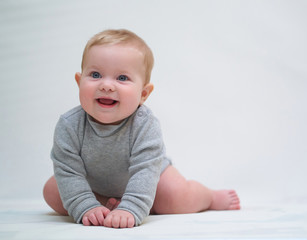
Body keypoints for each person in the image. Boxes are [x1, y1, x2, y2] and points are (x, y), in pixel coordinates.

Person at [43, 29, 240, 229]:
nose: (107, 85)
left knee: (178, 197)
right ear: (79, 82)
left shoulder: (145, 124)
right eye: (95, 75)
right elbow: (68, 171)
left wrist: (132, 208)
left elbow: (145, 171)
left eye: (122, 78)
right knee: (52, 191)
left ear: (143, 94)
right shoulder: (69, 124)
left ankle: (209, 197)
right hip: (95, 184)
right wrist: (85, 206)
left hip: (150, 178)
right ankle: (104, 205)